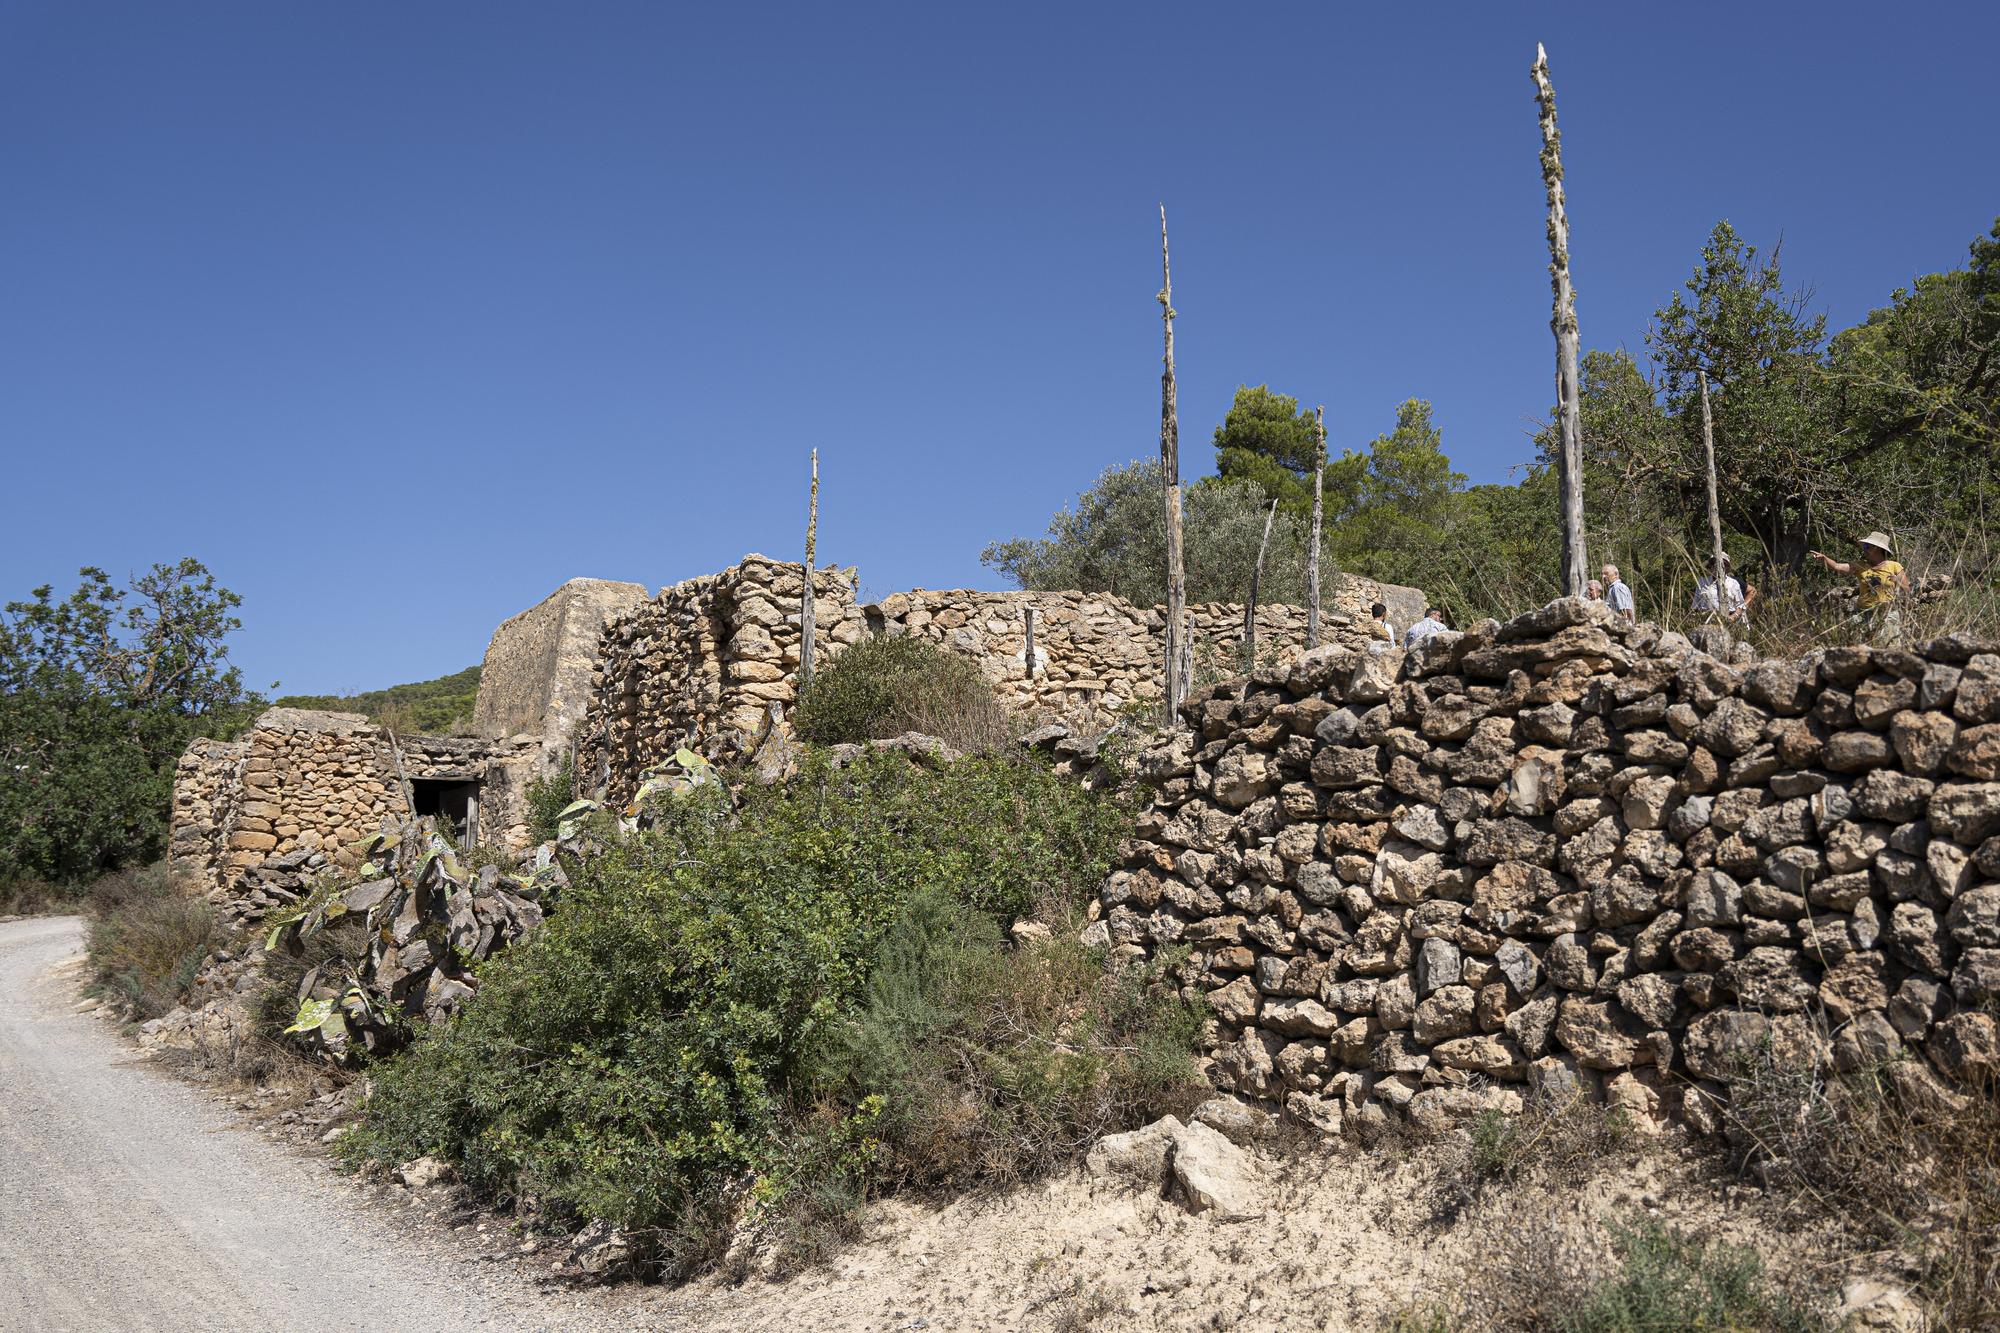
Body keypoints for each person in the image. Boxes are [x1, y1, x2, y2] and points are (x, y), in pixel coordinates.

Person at [1811, 531, 1909, 644]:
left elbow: (1907, 589)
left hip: (1887, 614)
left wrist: (1897, 581)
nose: (1865, 549)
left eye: (1867, 546)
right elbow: (1837, 566)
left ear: (1876, 548)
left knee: (1889, 646)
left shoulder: (1894, 566)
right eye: (1865, 546)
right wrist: (1824, 559)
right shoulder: (1860, 565)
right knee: (1859, 646)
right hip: (1862, 613)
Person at [1690, 555, 1753, 622]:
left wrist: (1732, 617)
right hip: (1706, 620)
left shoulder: (1733, 583)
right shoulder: (1702, 581)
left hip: (1728, 620)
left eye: (1722, 564)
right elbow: (1695, 605)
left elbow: (1740, 605)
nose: (1716, 566)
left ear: (1727, 568)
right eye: (1713, 563)